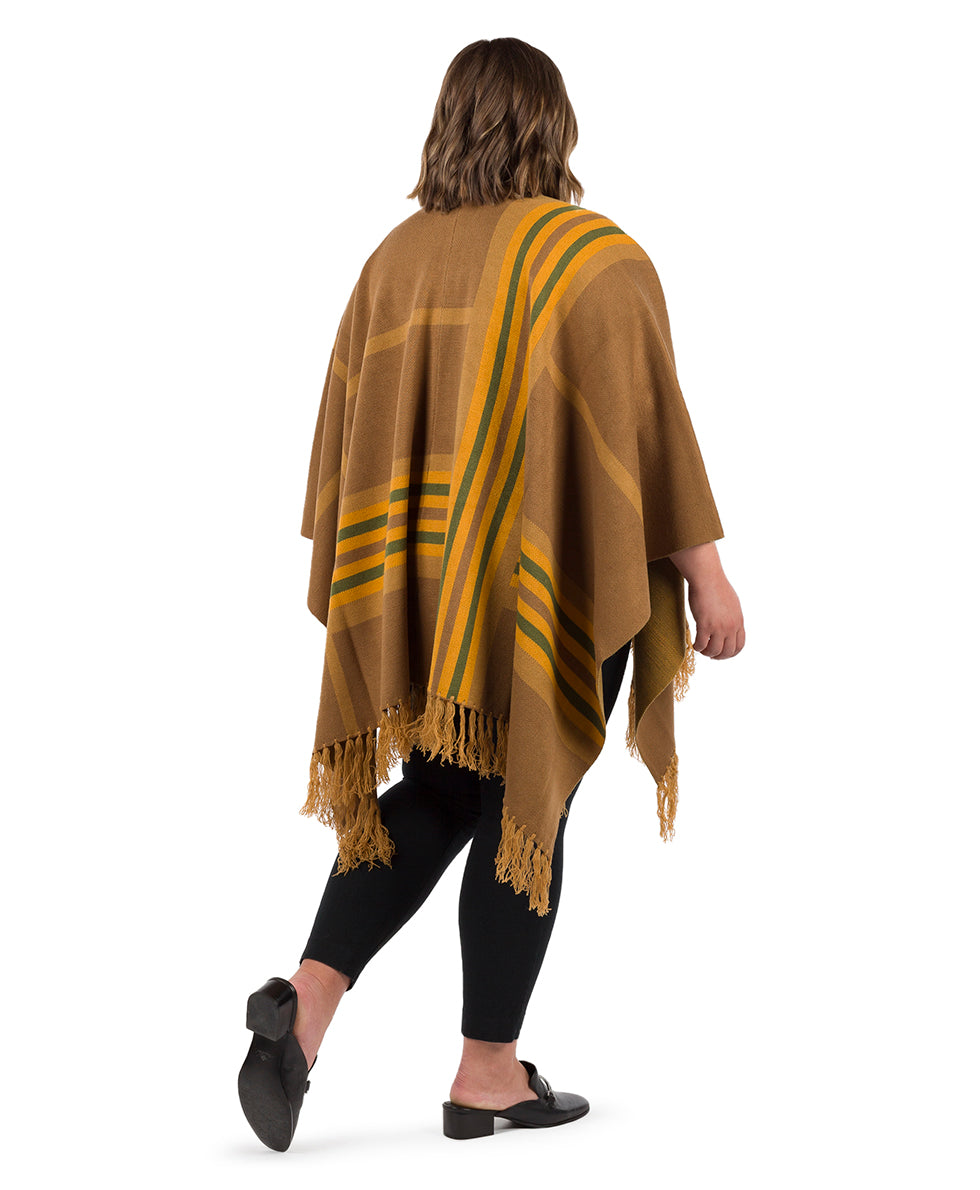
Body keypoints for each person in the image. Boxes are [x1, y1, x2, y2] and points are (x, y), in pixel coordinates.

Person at [238, 36, 745, 1151]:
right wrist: (705, 575)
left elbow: (347, 438)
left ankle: (305, 1001)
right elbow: (652, 432)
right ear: (553, 126)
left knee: (438, 785)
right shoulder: (592, 257)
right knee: (527, 799)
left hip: (417, 583)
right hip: (543, 578)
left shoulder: (394, 260)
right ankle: (487, 1072)